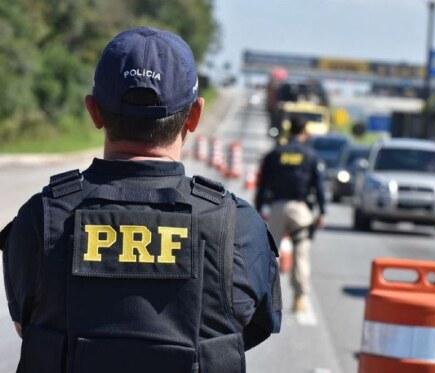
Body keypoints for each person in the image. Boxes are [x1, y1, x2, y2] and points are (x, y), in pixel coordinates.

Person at [0, 27, 281, 373]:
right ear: (194, 116)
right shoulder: (238, 228)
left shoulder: (40, 217)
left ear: (93, 111)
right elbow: (248, 328)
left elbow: (25, 326)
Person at [255, 117, 326, 313]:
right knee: (301, 254)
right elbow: (318, 186)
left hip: (277, 207)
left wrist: (259, 208)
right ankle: (299, 298)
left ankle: (263, 297)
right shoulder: (310, 156)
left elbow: (262, 184)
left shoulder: (275, 154)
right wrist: (322, 212)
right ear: (304, 132)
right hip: (300, 210)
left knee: (269, 254)